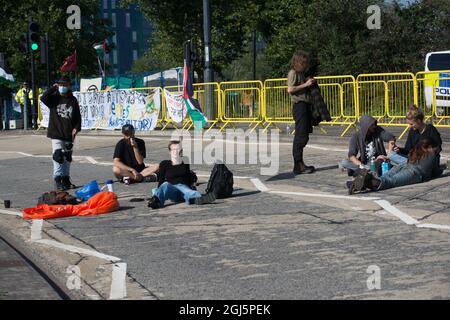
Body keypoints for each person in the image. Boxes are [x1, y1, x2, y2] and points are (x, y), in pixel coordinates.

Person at [347, 139, 442, 194]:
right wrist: (441, 169)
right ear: (432, 146)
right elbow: (435, 172)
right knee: (390, 182)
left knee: (384, 177)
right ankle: (366, 182)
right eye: (437, 149)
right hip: (415, 173)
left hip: (404, 165)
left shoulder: (419, 150)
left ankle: (356, 183)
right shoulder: (432, 153)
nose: (438, 151)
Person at [40, 76, 81, 191]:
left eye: (65, 85)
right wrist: (53, 88)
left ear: (69, 86)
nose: (63, 87)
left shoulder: (73, 100)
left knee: (67, 157)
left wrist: (76, 129)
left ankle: (66, 178)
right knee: (58, 155)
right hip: (56, 132)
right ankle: (58, 179)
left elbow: (77, 117)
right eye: (61, 85)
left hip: (69, 133)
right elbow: (43, 98)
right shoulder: (54, 98)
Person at [147, 141, 215, 209]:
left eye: (177, 150)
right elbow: (161, 181)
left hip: (183, 190)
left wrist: (191, 185)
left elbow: (188, 176)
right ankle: (156, 202)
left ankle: (195, 199)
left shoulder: (185, 161)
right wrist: (158, 192)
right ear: (169, 151)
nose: (175, 152)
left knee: (184, 188)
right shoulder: (164, 164)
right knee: (165, 184)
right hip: (172, 192)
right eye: (173, 150)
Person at [388, 105, 442, 177]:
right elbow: (408, 149)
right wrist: (399, 149)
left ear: (419, 121)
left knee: (394, 159)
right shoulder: (412, 131)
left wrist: (423, 153)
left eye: (411, 124)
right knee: (391, 155)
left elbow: (438, 148)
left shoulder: (431, 129)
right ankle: (407, 167)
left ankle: (407, 167)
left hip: (426, 161)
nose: (410, 126)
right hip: (414, 159)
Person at [287, 50, 316, 174]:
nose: (305, 65)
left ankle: (300, 163)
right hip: (299, 106)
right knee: (300, 135)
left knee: (305, 134)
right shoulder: (293, 73)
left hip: (305, 105)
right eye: (303, 62)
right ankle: (298, 164)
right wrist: (305, 85)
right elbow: (290, 89)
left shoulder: (302, 73)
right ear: (298, 62)